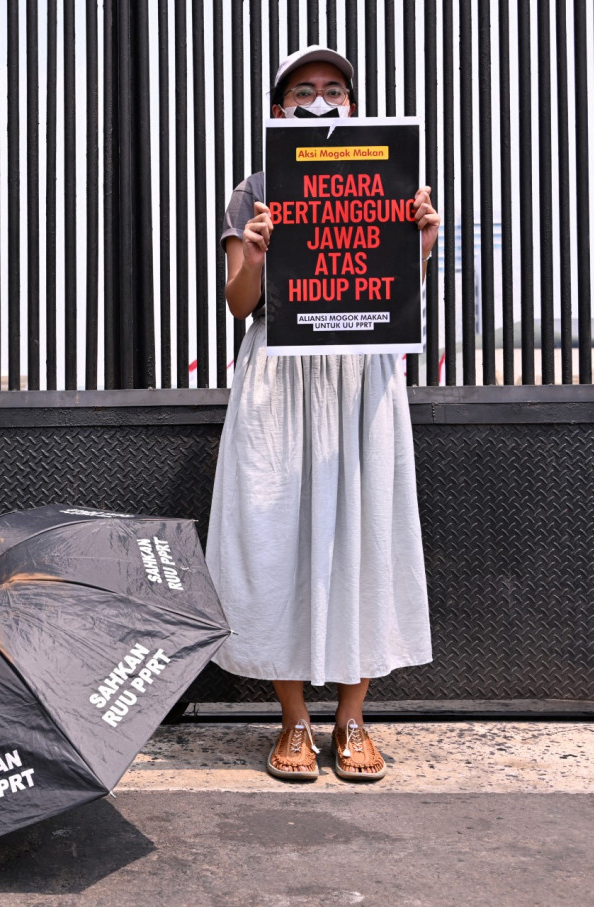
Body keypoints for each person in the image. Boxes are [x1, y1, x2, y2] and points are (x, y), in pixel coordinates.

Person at [208, 45, 441, 782]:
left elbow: (393, 289)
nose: (319, 100)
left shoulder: (388, 180)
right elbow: (238, 304)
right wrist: (251, 250)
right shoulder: (254, 189)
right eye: (303, 91)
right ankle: (294, 721)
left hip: (359, 375)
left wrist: (422, 243)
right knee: (275, 538)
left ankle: (353, 719)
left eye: (333, 89)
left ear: (353, 104)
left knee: (362, 535)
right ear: (279, 111)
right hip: (280, 374)